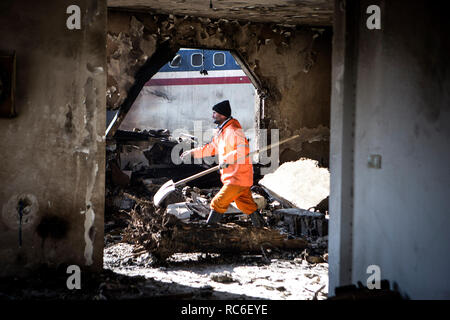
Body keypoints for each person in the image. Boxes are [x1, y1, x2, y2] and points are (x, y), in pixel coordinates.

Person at [180, 100, 265, 227]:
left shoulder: (234, 130)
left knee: (217, 202)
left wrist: (227, 160)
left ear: (222, 115)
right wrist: (192, 153)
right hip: (236, 178)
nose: (212, 115)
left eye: (214, 113)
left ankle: (209, 230)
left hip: (237, 178)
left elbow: (243, 151)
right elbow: (211, 148)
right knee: (245, 204)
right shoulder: (222, 131)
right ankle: (262, 228)